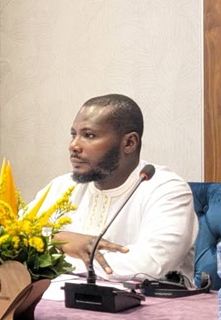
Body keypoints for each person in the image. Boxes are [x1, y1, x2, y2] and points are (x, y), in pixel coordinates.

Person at [32, 94, 197, 281]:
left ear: (129, 143)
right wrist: (58, 239)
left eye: (89, 135)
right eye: (73, 134)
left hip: (149, 306)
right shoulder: (63, 186)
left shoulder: (167, 189)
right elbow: (14, 241)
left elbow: (149, 264)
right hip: (62, 301)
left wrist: (54, 257)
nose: (73, 145)